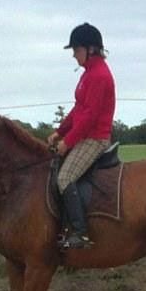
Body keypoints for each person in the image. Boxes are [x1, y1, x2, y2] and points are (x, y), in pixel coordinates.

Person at [48, 23, 116, 249]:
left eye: (76, 50)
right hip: (85, 134)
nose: (74, 56)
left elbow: (90, 116)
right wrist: (60, 131)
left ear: (91, 49)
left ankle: (80, 232)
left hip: (95, 139)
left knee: (65, 178)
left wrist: (68, 142)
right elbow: (79, 109)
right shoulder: (88, 74)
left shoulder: (98, 76)